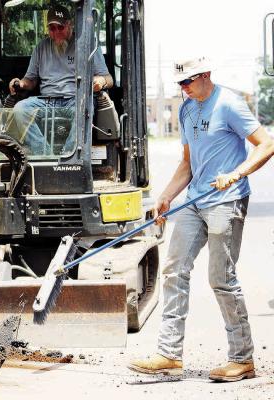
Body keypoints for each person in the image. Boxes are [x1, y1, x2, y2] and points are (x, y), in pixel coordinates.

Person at [127, 56, 274, 382]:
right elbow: (187, 163)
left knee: (221, 279)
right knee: (174, 269)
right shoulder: (186, 109)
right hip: (195, 201)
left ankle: (242, 359)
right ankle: (168, 354)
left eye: (188, 82)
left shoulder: (229, 104)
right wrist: (166, 195)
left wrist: (236, 173)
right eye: (179, 83)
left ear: (206, 74)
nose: (184, 88)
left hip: (227, 201)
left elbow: (266, 145)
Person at [8, 4, 113, 155]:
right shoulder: (41, 48)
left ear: (69, 24)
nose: (56, 32)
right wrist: (20, 82)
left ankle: (69, 155)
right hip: (46, 101)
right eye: (52, 28)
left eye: (60, 27)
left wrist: (100, 81)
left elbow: (109, 79)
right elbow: (30, 80)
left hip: (74, 99)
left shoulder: (85, 45)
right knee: (20, 109)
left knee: (86, 107)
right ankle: (44, 154)